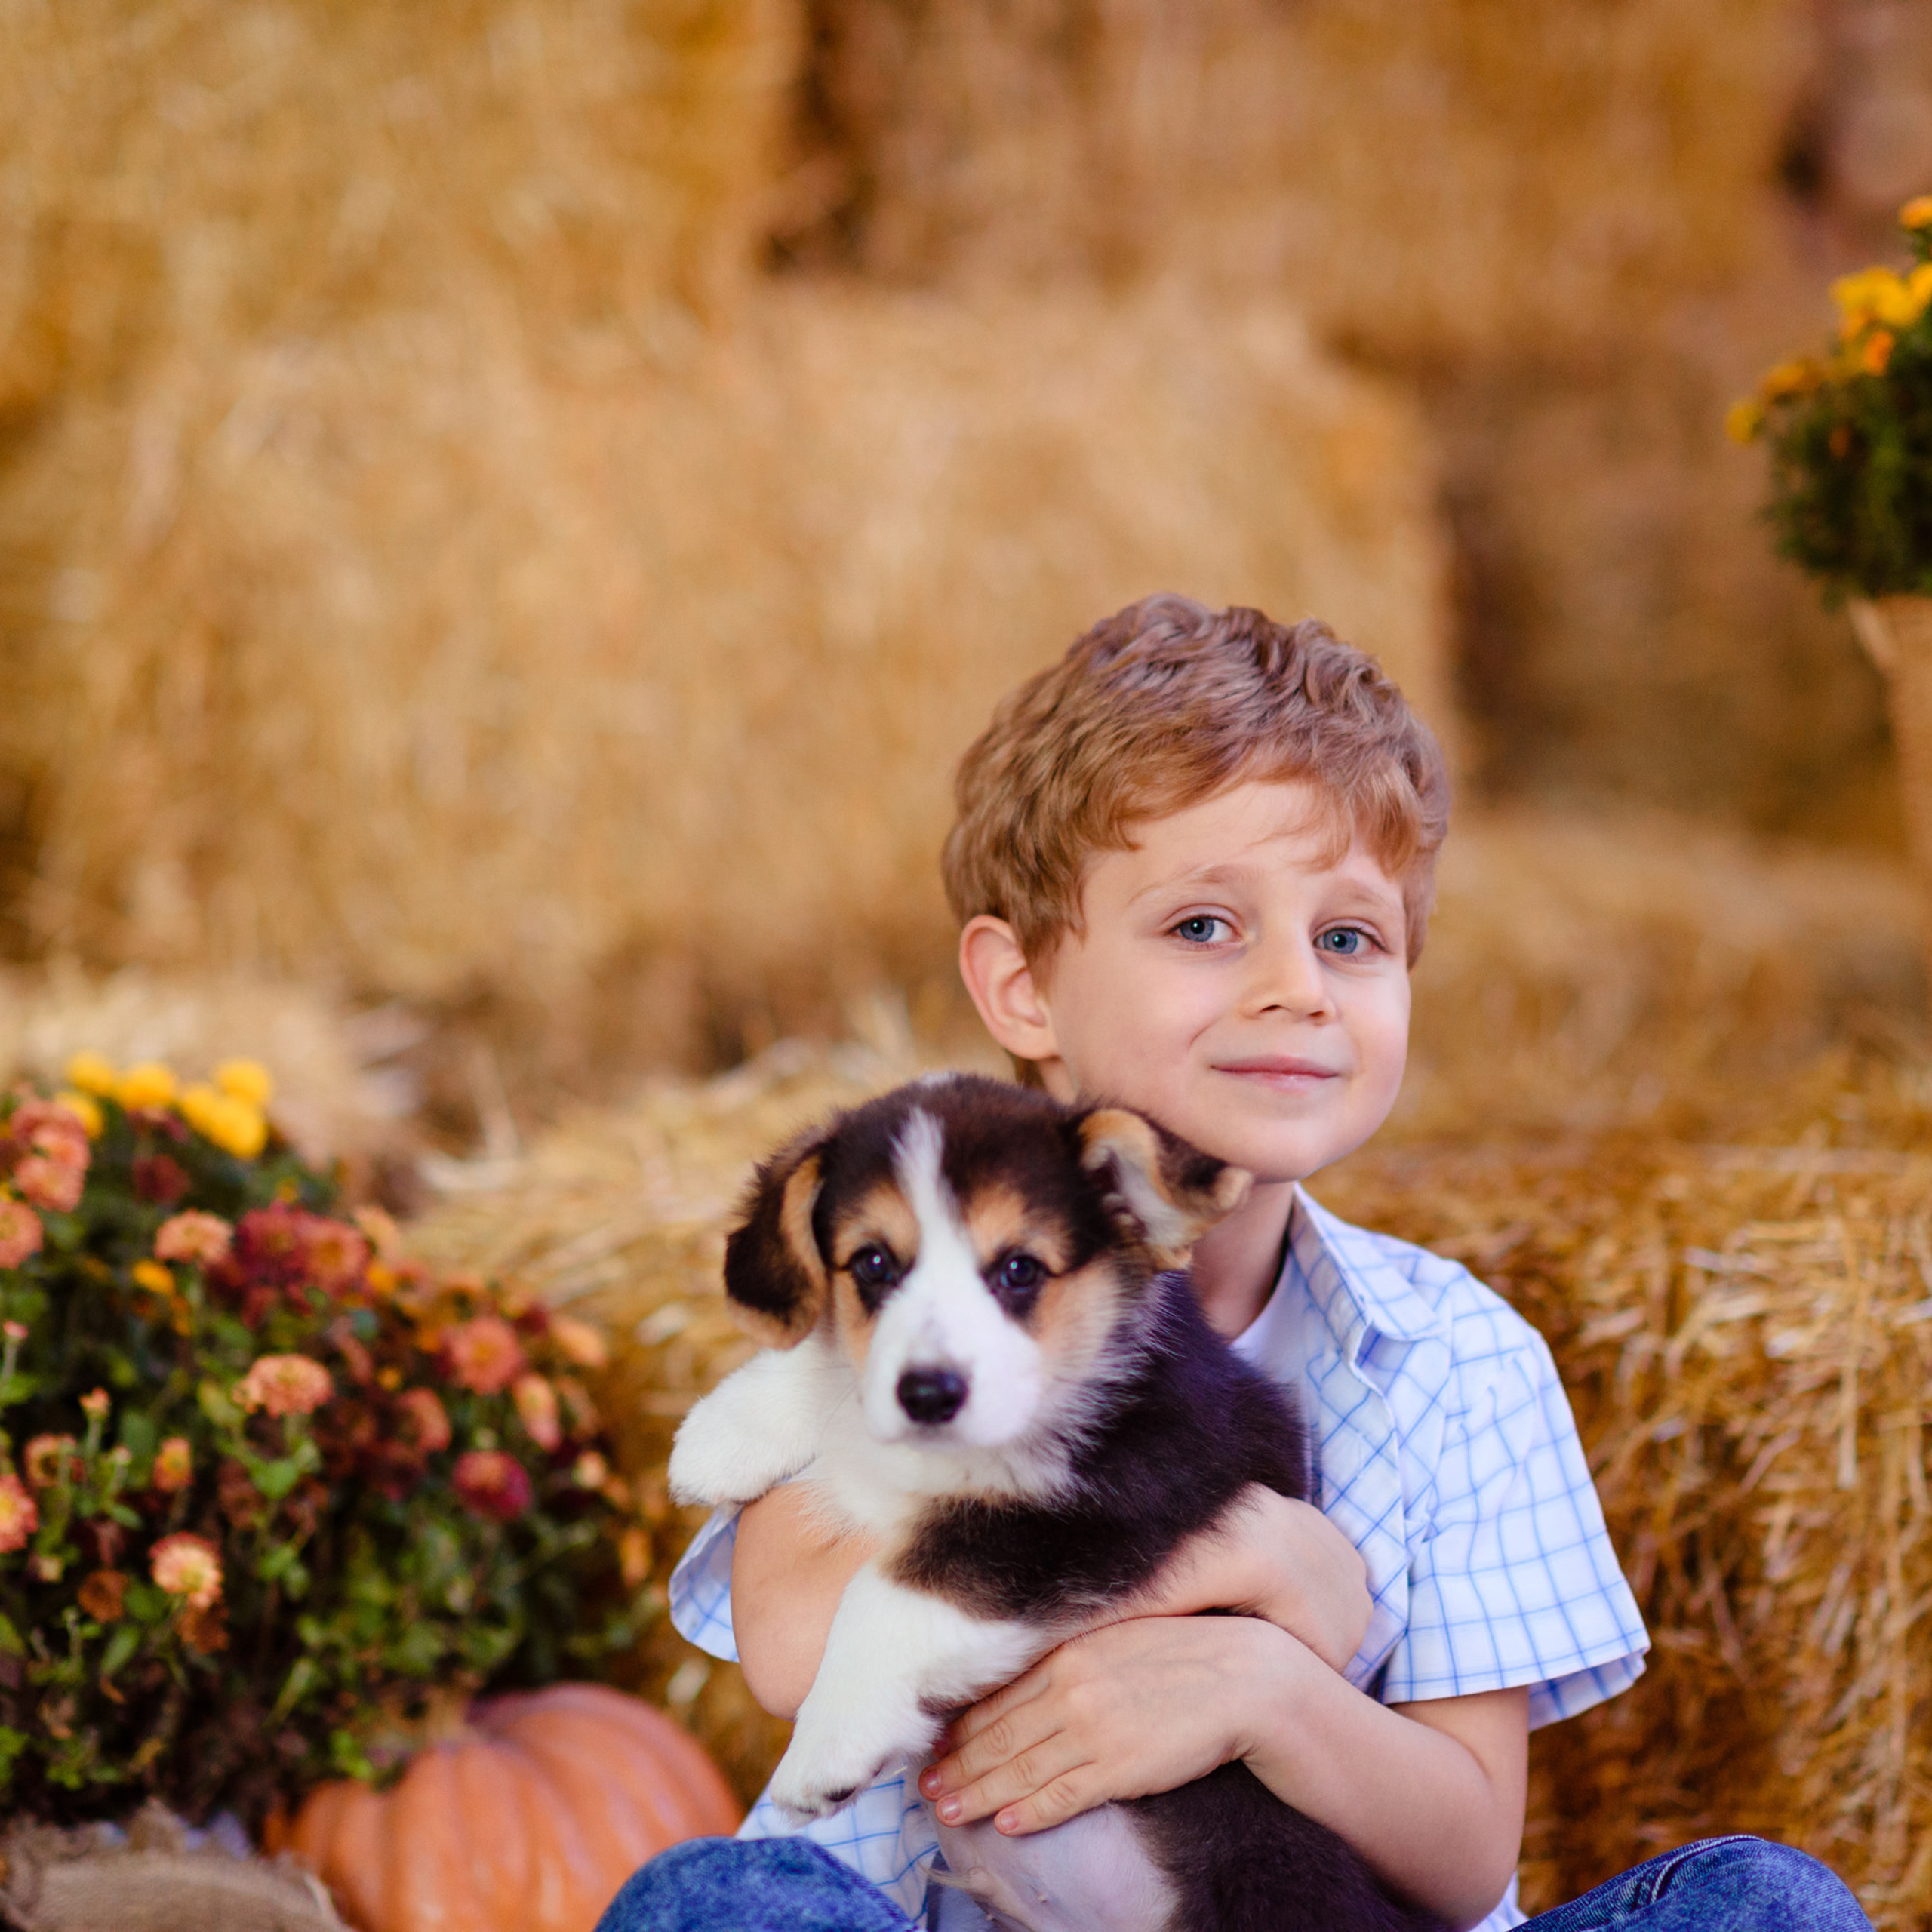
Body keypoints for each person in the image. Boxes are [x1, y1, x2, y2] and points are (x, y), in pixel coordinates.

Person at [599, 596, 1872, 1932]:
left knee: (1764, 1906)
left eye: (1349, 938)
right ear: (1022, 984)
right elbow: (795, 1654)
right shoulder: (878, 1304)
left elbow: (1464, 1857)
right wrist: (1247, 1557)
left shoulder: (1456, 1358)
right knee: (709, 1905)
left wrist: (1264, 1694)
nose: (1297, 988)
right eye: (1205, 926)